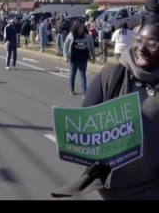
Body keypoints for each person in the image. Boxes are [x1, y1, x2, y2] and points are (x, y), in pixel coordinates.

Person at [77, 12, 159, 200]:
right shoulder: (110, 76)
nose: (142, 48)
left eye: (152, 44)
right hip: (110, 189)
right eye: (139, 40)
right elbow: (83, 124)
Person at [63, 19, 96, 96]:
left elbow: (91, 47)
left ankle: (85, 91)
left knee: (83, 75)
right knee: (72, 74)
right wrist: (66, 56)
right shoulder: (71, 35)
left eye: (82, 27)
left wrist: (93, 56)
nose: (81, 28)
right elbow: (66, 46)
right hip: (73, 58)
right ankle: (71, 89)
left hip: (83, 58)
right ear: (76, 28)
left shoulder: (87, 37)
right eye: (80, 27)